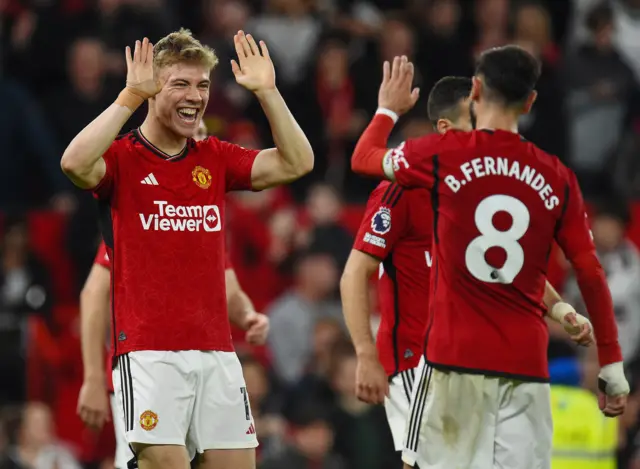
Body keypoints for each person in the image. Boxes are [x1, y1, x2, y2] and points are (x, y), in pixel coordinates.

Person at [350, 48, 629, 468]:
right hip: (526, 367)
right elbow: (589, 271)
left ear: (477, 90)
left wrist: (387, 111)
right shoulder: (557, 176)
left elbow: (363, 158)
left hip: (452, 361)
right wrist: (610, 360)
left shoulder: (442, 156)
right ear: (531, 102)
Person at [61, 28, 313, 469]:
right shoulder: (122, 159)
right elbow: (74, 163)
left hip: (218, 352)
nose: (195, 96)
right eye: (180, 83)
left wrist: (269, 93)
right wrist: (128, 97)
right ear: (153, 86)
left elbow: (297, 162)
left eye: (202, 85)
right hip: (148, 354)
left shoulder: (213, 157)